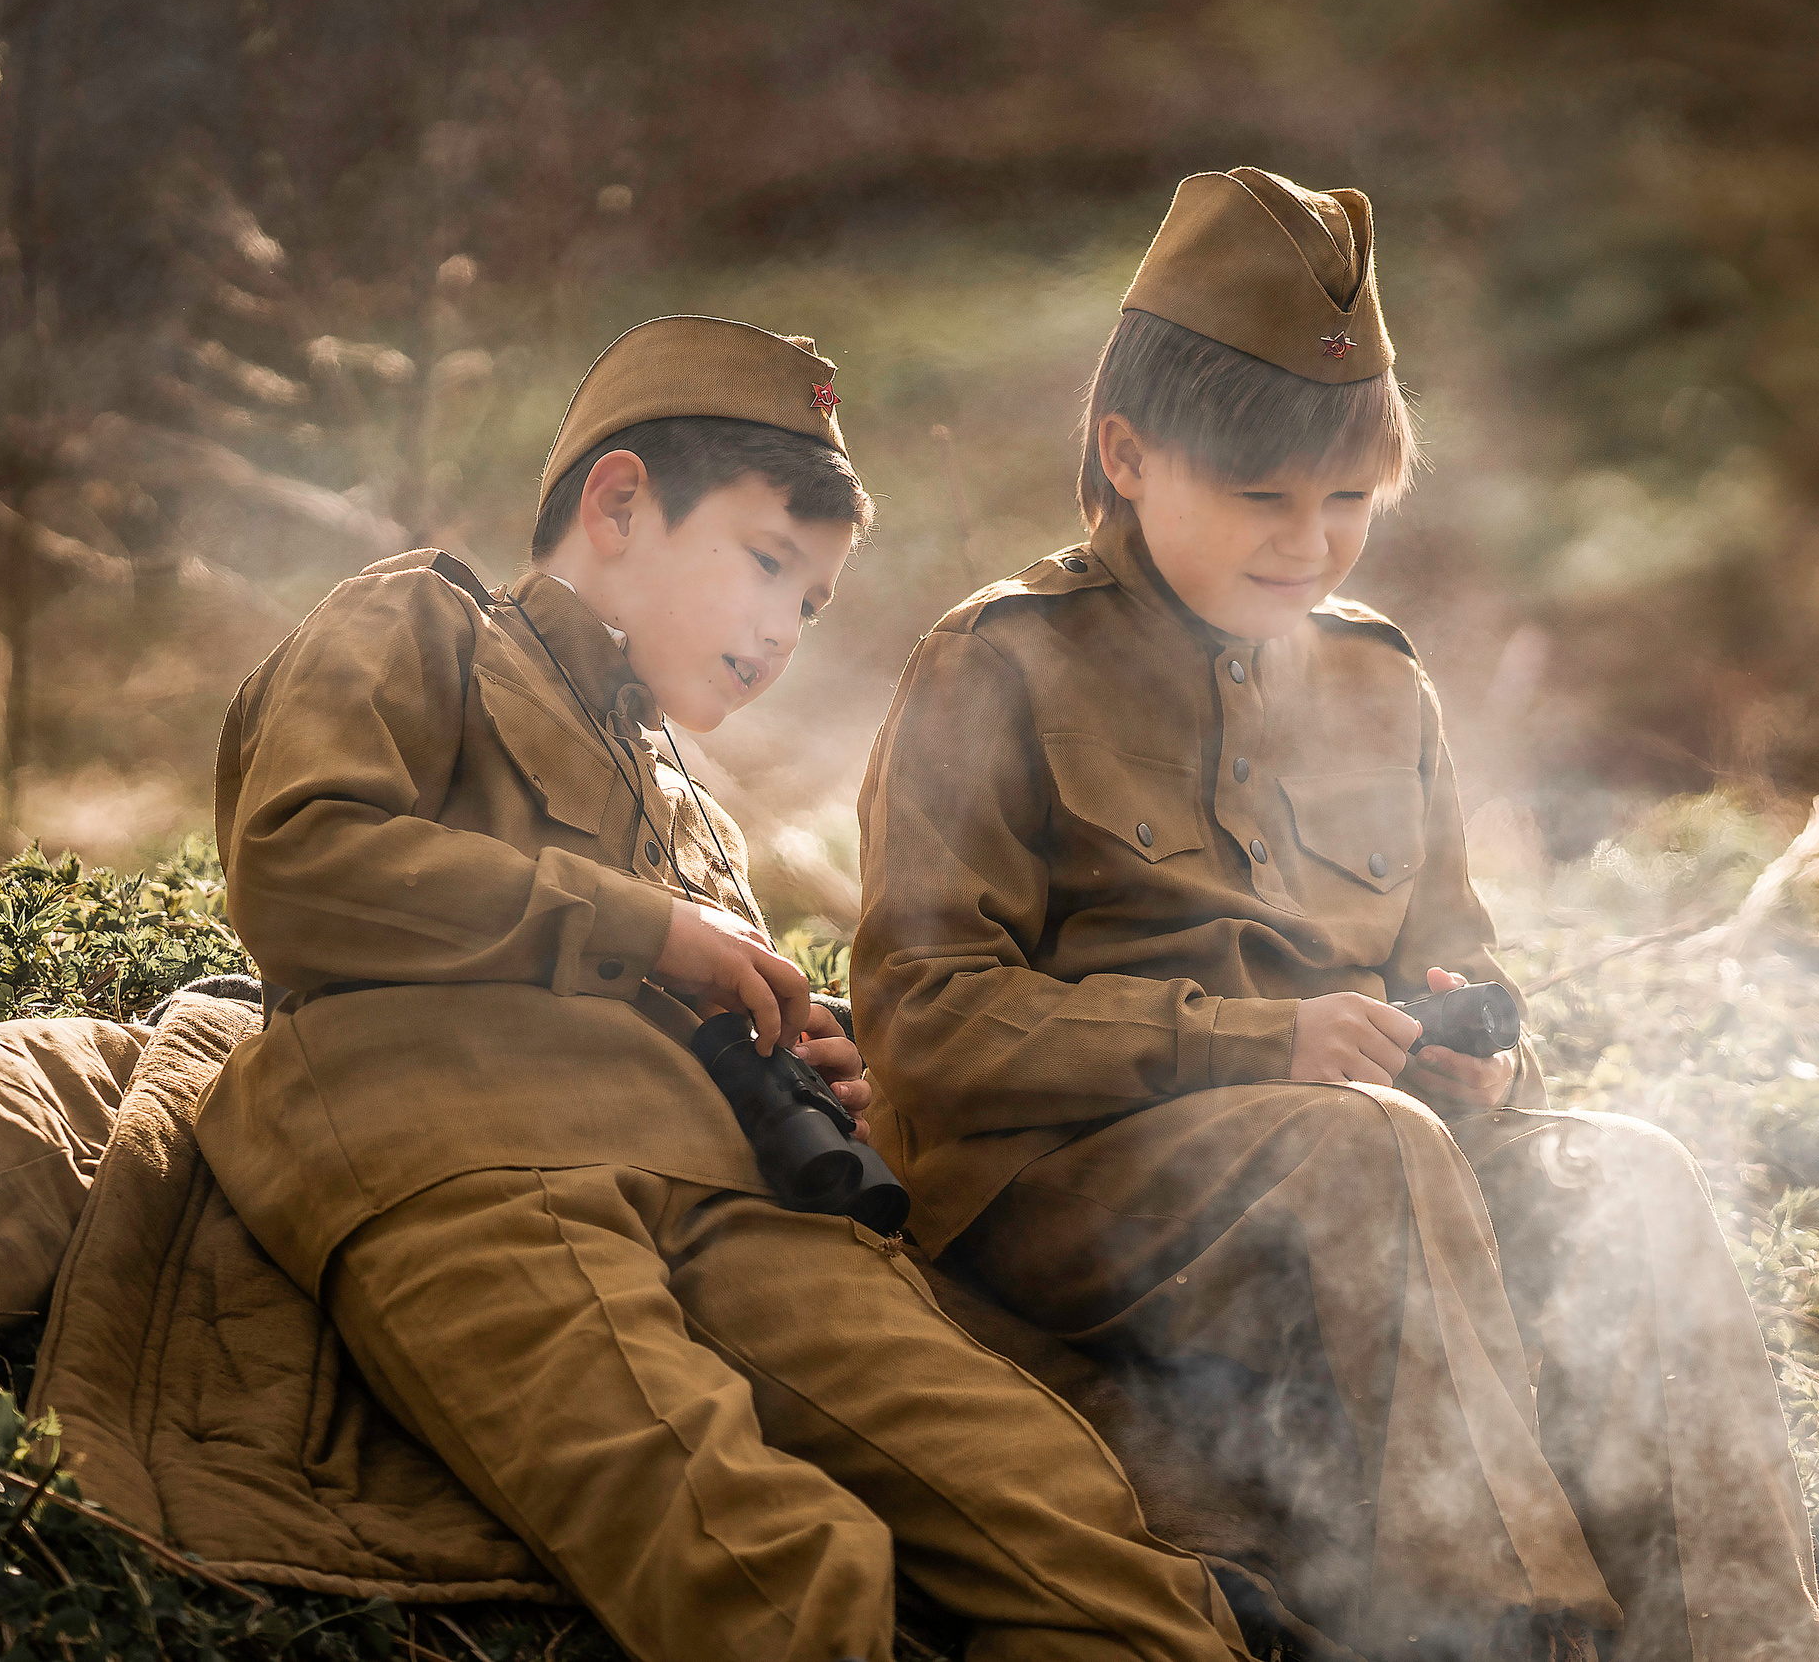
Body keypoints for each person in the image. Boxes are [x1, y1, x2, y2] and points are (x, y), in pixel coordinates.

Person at [853, 173, 1819, 1662]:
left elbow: (1456, 949)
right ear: (1126, 456)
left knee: (1623, 1177)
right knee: (1359, 1144)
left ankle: (1753, 1642)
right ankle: (1503, 1627)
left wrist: (1481, 1054)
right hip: (1072, 1205)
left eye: (1347, 504)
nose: (1308, 545)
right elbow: (923, 1024)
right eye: (1261, 498)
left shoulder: (1383, 681)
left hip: (1374, 1177)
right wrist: (1260, 1041)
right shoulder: (999, 669)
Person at [194, 316, 1252, 1662]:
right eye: (765, 565)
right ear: (621, 501)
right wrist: (646, 929)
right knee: (766, 1577)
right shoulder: (419, 621)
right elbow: (299, 862)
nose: (783, 630)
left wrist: (813, 1060)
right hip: (468, 1165)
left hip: (744, 1207)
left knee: (1088, 1552)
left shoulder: (699, 811)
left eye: (812, 603)